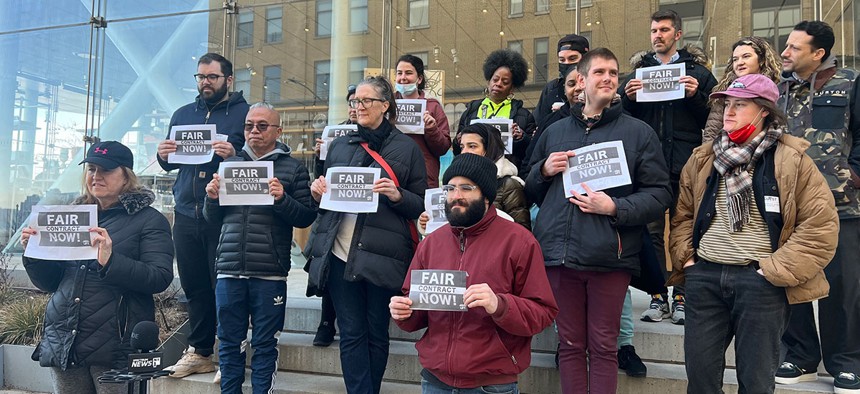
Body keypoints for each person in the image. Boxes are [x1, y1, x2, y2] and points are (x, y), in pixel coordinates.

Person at [668, 73, 839, 393]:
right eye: (726, 104)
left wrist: (772, 270)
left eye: (739, 105)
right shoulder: (704, 157)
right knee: (701, 380)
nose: (728, 112)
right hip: (705, 278)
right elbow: (682, 216)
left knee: (757, 382)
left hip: (760, 283)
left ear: (764, 111)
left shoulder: (792, 160)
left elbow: (820, 227)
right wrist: (688, 260)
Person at [525, 48, 672, 394]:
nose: (608, 78)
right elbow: (529, 188)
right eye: (600, 72)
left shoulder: (639, 133)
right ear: (581, 81)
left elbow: (659, 195)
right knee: (571, 346)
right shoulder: (554, 131)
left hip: (609, 255)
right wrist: (544, 170)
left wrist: (615, 207)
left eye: (613, 72)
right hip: (559, 258)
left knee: (605, 347)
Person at [390, 153, 558, 394]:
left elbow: (543, 313)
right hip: (434, 381)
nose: (456, 196)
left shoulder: (519, 242)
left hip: (491, 385)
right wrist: (403, 312)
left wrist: (499, 305)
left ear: (487, 197)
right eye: (450, 188)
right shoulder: (431, 243)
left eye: (467, 188)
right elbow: (416, 311)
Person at [304, 76, 426, 394]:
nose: (358, 107)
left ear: (385, 106)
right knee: (351, 332)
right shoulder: (341, 145)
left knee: (375, 331)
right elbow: (325, 199)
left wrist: (397, 195)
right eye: (355, 101)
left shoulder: (407, 148)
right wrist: (317, 191)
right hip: (340, 252)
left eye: (366, 101)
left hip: (382, 256)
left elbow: (421, 204)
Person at [21, 141, 174, 394]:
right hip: (66, 339)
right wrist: (34, 254)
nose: (96, 176)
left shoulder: (150, 220)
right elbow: (50, 283)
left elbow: (159, 277)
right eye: (91, 169)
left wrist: (110, 261)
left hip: (115, 344)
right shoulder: (72, 215)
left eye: (105, 170)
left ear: (126, 175)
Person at [203, 102, 316, 393]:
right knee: (228, 344)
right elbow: (211, 219)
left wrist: (282, 199)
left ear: (278, 131)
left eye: (262, 126)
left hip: (269, 273)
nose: (254, 131)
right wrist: (211, 198)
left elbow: (306, 216)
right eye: (249, 125)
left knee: (266, 345)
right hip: (229, 270)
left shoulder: (293, 169)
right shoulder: (229, 166)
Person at [775, 20, 860, 393]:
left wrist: (854, 177)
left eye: (794, 47)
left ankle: (848, 362)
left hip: (841, 205)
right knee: (790, 279)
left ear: (818, 53)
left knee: (842, 287)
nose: (785, 53)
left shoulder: (851, 83)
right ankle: (801, 355)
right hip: (791, 206)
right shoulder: (780, 90)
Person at [620, 9, 718, 326]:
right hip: (648, 165)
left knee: (683, 230)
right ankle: (657, 295)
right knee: (649, 234)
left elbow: (714, 117)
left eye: (664, 30)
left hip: (685, 164)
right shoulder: (638, 73)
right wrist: (628, 98)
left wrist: (695, 95)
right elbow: (623, 121)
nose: (657, 35)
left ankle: (681, 296)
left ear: (677, 34)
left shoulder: (699, 73)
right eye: (653, 30)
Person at [156, 53, 249, 378]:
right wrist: (161, 154)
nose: (205, 82)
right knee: (194, 286)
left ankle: (230, 351)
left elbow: (256, 161)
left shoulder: (244, 114)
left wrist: (236, 154)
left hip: (223, 213)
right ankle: (200, 352)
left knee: (224, 286)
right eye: (200, 77)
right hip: (185, 211)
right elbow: (170, 163)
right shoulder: (183, 114)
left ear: (228, 80)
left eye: (212, 77)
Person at [309, 84, 357, 348]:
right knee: (328, 267)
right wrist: (319, 157)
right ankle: (326, 322)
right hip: (333, 213)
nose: (354, 107)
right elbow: (324, 174)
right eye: (351, 101)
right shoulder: (336, 134)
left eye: (360, 101)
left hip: (360, 214)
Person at [457, 49, 536, 169]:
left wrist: (521, 138)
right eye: (495, 79)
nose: (498, 84)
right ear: (488, 82)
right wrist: (459, 140)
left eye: (505, 82)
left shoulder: (524, 115)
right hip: (473, 169)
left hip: (506, 174)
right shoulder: (471, 110)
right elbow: (458, 149)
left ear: (512, 88)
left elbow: (531, 151)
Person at [524, 36, 590, 175]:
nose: (578, 88)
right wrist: (544, 170)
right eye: (562, 60)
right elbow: (529, 167)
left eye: (572, 58)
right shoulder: (551, 90)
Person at [702, 36, 782, 142]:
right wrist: (707, 154)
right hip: (729, 151)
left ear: (761, 59)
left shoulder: (779, 86)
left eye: (746, 56)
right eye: (735, 59)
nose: (740, 62)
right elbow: (712, 130)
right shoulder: (725, 89)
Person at [453, 123, 530, 228]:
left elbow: (522, 234)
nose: (464, 152)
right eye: (462, 147)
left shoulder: (509, 185)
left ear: (490, 148)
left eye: (472, 146)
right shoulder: (456, 183)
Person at [395, 54, 452, 188]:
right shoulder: (386, 105)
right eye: (399, 73)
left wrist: (432, 129)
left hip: (423, 176)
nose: (403, 78)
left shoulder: (433, 106)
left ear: (419, 78)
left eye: (408, 73)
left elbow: (443, 147)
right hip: (394, 174)